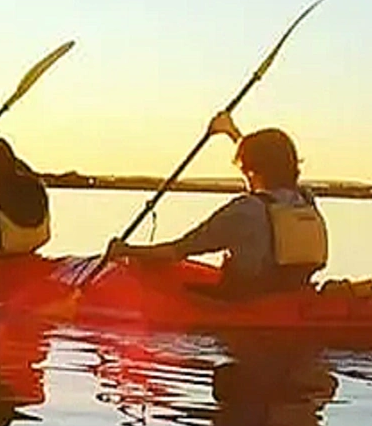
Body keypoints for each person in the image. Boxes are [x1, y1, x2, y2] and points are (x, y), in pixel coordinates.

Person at [104, 112, 329, 298]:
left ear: (250, 169)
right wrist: (231, 132)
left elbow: (177, 251)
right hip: (293, 295)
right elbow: (265, 173)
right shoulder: (306, 199)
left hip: (244, 303)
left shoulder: (244, 211)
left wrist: (126, 250)